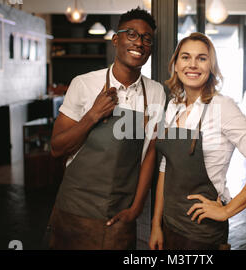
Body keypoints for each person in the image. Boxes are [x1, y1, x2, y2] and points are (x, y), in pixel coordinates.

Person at [149, 32, 246, 250]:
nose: (192, 64)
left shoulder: (222, 106)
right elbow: (166, 167)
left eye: (202, 58)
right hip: (169, 224)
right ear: (176, 64)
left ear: (211, 66)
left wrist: (226, 211)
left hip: (200, 233)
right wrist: (156, 224)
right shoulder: (174, 106)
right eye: (185, 57)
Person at [48, 7, 166, 250]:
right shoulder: (83, 84)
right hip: (75, 210)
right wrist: (93, 115)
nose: (139, 43)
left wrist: (136, 209)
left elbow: (151, 152)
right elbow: (56, 148)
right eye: (131, 34)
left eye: (146, 38)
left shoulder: (155, 92)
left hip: (119, 214)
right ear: (116, 39)